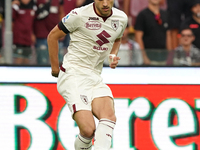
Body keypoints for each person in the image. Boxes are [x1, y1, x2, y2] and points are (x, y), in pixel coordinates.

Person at [47, 0, 127, 149]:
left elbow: (117, 38)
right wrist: (55, 69)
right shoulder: (79, 15)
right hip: (73, 73)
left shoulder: (121, 18)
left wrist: (112, 55)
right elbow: (52, 36)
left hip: (95, 76)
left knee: (109, 117)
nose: (104, 3)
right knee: (88, 129)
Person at [134, 0, 172, 65]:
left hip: (163, 58)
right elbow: (138, 38)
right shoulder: (142, 15)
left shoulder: (166, 14)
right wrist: (144, 57)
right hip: (149, 58)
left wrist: (170, 57)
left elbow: (168, 35)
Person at [34, 0, 64, 65]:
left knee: (59, 61)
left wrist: (62, 30)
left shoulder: (58, 1)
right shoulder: (36, 1)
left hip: (56, 35)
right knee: (42, 62)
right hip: (41, 35)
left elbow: (61, 13)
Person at [12, 0, 37, 64]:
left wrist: (33, 33)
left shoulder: (33, 6)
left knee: (27, 59)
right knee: (19, 58)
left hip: (28, 38)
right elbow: (11, 22)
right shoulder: (16, 6)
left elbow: (34, 22)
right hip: (18, 37)